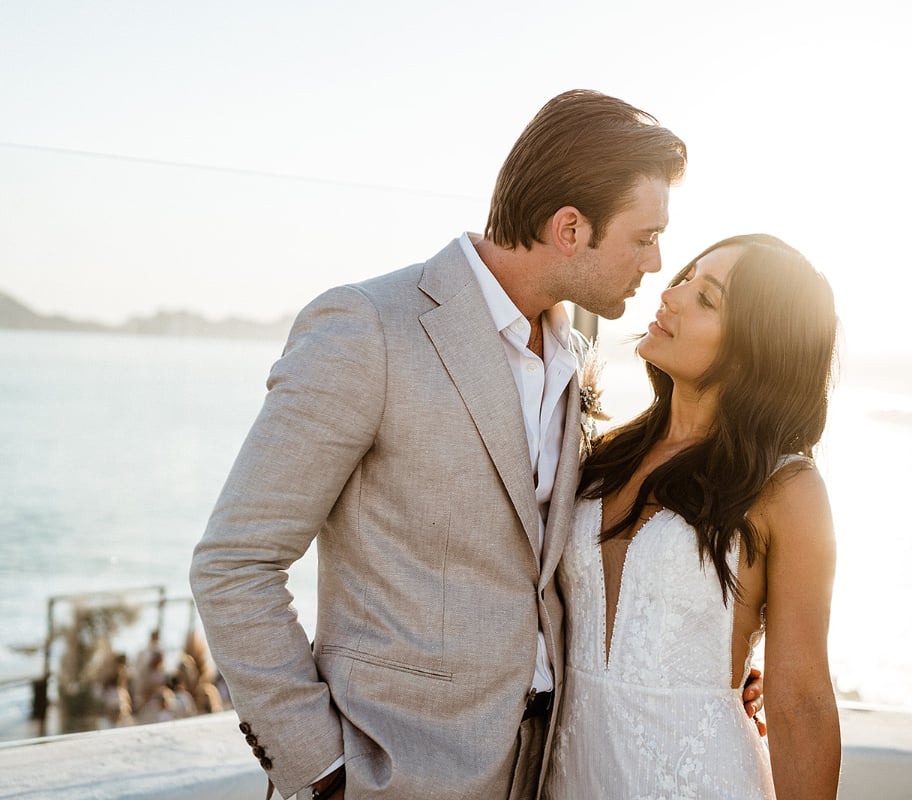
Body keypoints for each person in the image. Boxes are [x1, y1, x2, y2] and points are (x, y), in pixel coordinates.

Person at [189, 90, 762, 800]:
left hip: (542, 772)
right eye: (644, 237)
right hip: (390, 775)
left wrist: (702, 658)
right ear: (571, 228)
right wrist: (325, 772)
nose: (655, 263)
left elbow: (541, 566)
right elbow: (233, 564)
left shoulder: (572, 354)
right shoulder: (370, 328)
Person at [544, 234, 841, 799]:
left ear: (759, 347)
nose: (671, 296)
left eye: (706, 299)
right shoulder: (599, 458)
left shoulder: (786, 488)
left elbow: (802, 699)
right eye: (684, 279)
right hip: (569, 777)